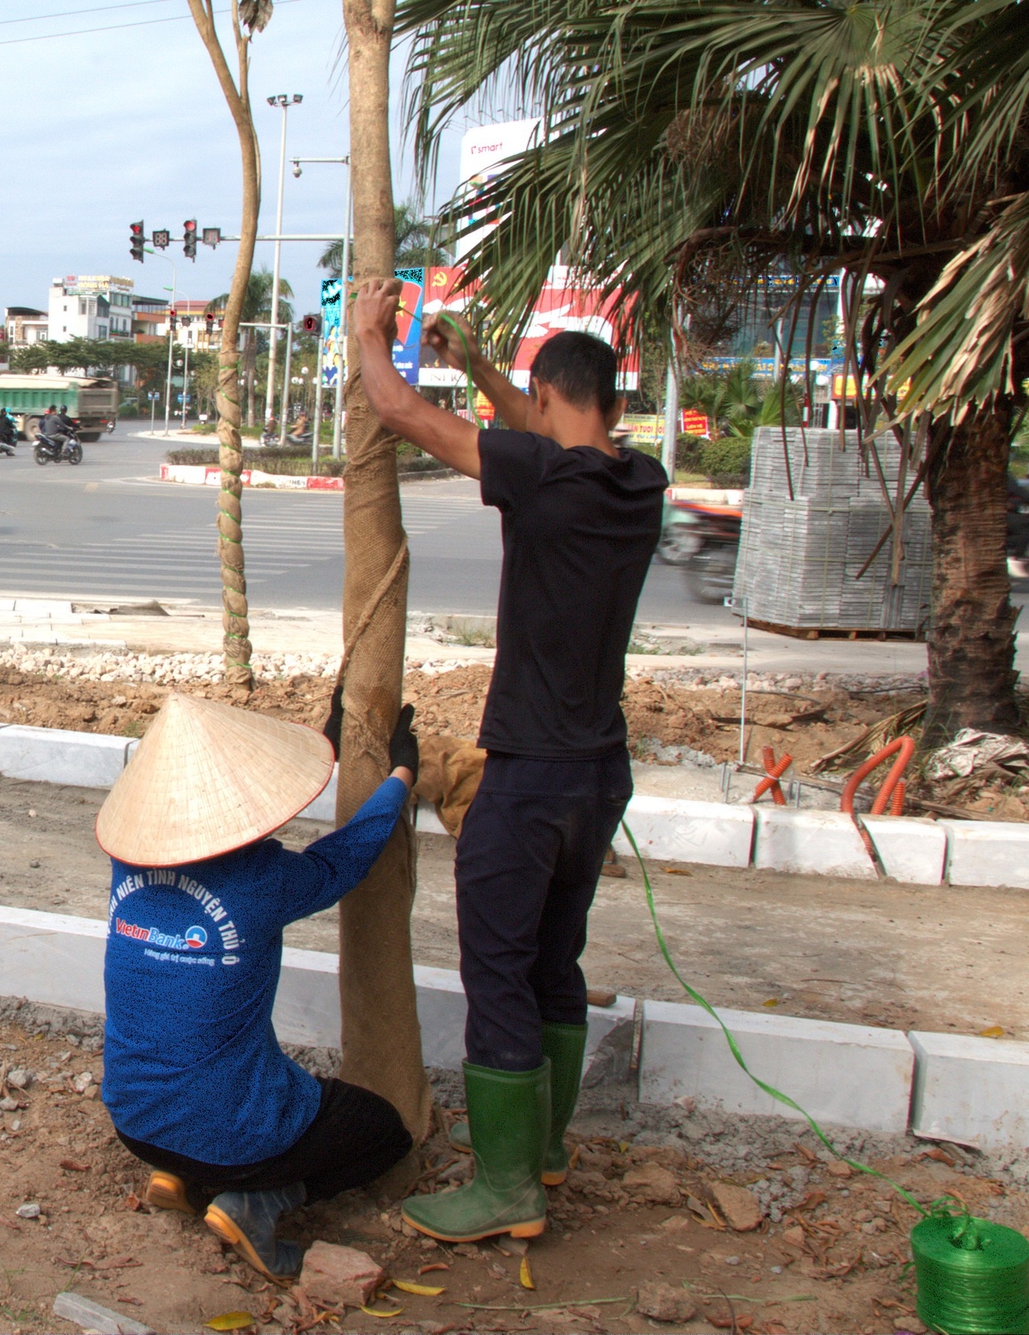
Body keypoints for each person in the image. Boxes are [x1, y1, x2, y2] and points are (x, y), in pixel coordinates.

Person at [349, 278, 664, 1244]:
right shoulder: (638, 481)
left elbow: (399, 412)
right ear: (610, 401)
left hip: (526, 776)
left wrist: (370, 335)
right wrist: (478, 364)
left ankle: (505, 1187)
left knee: (497, 967)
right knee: (553, 958)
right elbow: (546, 418)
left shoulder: (535, 475)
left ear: (547, 397)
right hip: (599, 773)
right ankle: (547, 1148)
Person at [98, 692, 420, 1280]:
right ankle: (254, 1202)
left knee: (213, 1075)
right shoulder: (263, 880)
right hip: (233, 1136)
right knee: (380, 1131)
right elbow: (345, 859)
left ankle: (182, 1180)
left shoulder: (128, 862)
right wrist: (400, 776)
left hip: (134, 1123)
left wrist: (328, 750)